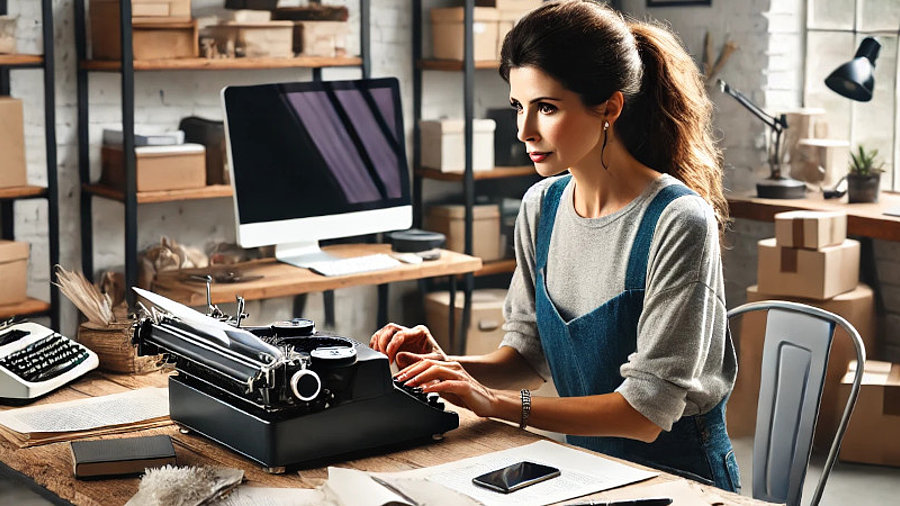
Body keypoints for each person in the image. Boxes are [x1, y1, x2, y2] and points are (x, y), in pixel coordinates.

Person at [370, 0, 739, 492]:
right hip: (583, 469)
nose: (524, 131)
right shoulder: (541, 206)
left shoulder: (677, 220)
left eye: (547, 108)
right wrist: (449, 369)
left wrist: (494, 404)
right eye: (518, 107)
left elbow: (644, 412)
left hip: (680, 481)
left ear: (609, 106)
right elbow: (527, 356)